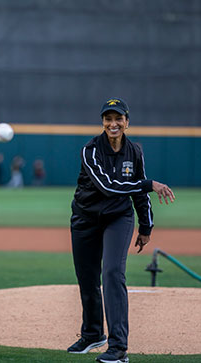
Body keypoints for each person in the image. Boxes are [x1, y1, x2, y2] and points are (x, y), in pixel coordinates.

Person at [68, 98, 175, 363]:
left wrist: (146, 225)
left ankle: (118, 348)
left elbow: (138, 193)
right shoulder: (90, 150)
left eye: (118, 119)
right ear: (102, 122)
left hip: (118, 217)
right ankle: (93, 334)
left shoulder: (135, 151)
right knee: (87, 278)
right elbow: (107, 186)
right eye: (108, 119)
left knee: (113, 273)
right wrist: (149, 184)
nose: (113, 124)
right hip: (85, 218)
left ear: (127, 122)